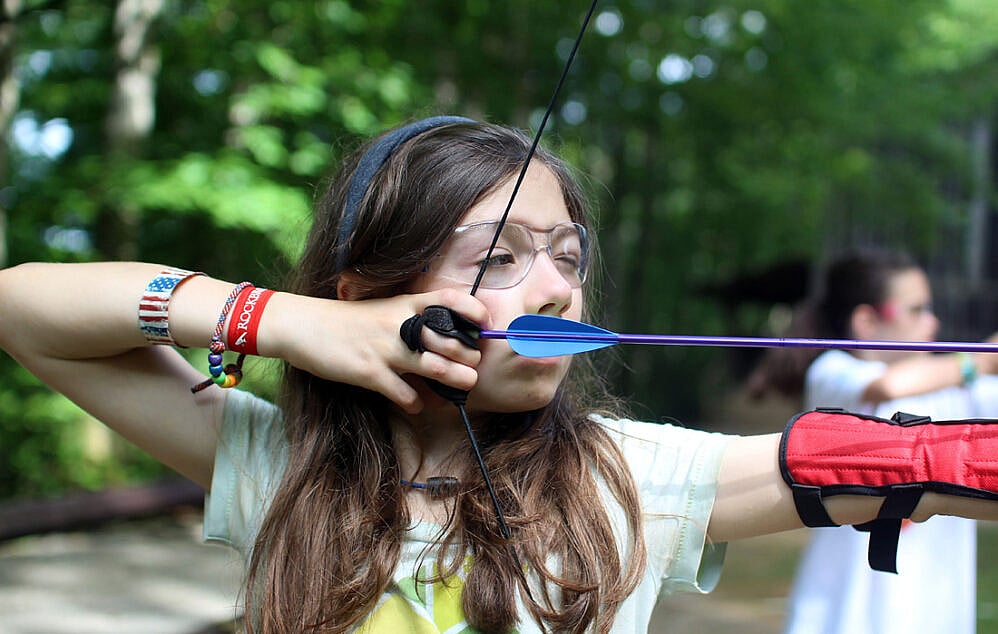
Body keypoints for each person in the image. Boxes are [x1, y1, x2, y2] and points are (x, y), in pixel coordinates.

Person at [2, 118, 998, 634]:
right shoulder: (275, 460)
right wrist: (285, 323)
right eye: (500, 257)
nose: (554, 288)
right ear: (367, 293)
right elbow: (24, 310)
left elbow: (901, 460)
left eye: (567, 255)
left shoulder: (631, 475)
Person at [766, 248, 998, 634]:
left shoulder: (962, 388)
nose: (932, 321)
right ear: (867, 321)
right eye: (916, 309)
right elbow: (887, 387)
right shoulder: (834, 373)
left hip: (936, 616)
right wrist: (983, 359)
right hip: (841, 618)